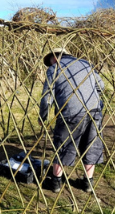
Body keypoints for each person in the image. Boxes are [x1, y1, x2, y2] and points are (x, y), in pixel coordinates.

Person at [39, 48, 105, 193]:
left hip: (70, 113)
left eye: (50, 60)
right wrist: (94, 101)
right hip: (93, 111)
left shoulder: (54, 69)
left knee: (63, 145)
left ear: (55, 58)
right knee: (91, 145)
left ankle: (56, 182)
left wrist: (43, 116)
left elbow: (47, 97)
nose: (50, 64)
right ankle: (88, 182)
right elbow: (101, 86)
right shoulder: (85, 64)